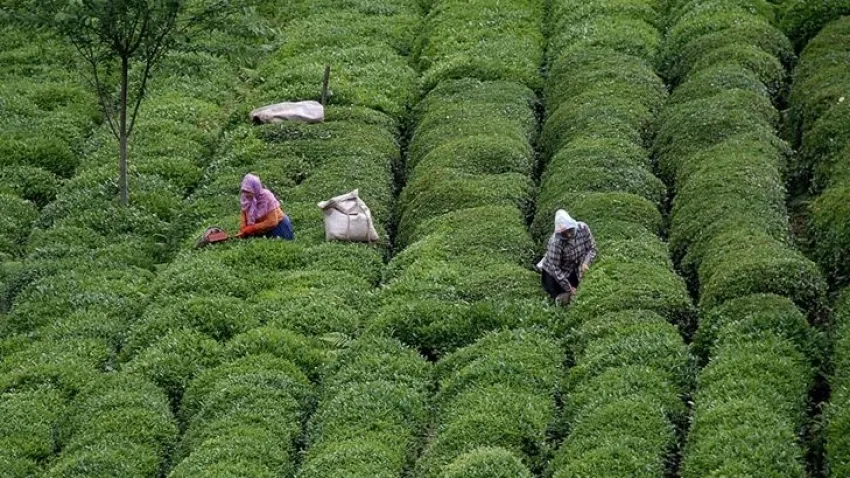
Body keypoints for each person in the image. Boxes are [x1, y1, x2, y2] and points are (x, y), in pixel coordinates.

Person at [539, 209, 596, 306]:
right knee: (560, 296)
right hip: (553, 272)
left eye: (569, 230)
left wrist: (586, 263)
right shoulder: (555, 242)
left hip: (572, 267)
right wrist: (568, 288)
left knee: (578, 290)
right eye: (564, 233)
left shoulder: (583, 228)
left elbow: (592, 249)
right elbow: (555, 268)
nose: (568, 235)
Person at [237, 173, 294, 240]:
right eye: (244, 191)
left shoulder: (267, 197)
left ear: (255, 189)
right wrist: (243, 230)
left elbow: (272, 221)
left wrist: (252, 228)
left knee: (279, 244)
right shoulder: (245, 199)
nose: (246, 194)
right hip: (261, 230)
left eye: (248, 192)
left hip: (278, 227)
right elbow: (244, 216)